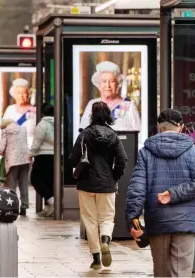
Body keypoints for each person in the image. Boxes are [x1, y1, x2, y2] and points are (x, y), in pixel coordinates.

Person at [126, 108, 195, 277]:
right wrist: (174, 194)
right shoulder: (194, 152)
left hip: (158, 222)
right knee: (181, 273)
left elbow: (137, 188)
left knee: (161, 272)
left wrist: (132, 220)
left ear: (159, 127)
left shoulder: (145, 153)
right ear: (181, 126)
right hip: (185, 223)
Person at [69, 101, 128, 270]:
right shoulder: (113, 135)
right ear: (108, 114)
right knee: (107, 217)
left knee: (90, 219)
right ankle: (105, 240)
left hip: (86, 183)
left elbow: (73, 159)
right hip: (107, 184)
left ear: (92, 115)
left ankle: (96, 257)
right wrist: (114, 176)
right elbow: (122, 160)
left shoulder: (84, 134)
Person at [79, 61, 141, 132]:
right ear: (99, 84)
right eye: (104, 81)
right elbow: (82, 133)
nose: (107, 85)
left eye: (112, 81)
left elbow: (139, 135)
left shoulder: (129, 105)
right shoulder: (92, 105)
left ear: (118, 83)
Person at [0, 119, 30, 215]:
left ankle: (13, 206)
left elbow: (0, 148)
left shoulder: (5, 131)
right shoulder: (23, 129)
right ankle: (24, 205)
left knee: (11, 184)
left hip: (12, 160)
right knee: (23, 184)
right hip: (25, 159)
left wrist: (2, 153)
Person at [30, 103, 55, 217]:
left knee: (36, 179)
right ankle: (49, 208)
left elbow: (36, 143)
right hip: (56, 156)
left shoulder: (42, 125)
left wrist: (30, 154)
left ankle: (52, 201)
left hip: (42, 156)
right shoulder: (59, 123)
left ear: (42, 113)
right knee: (50, 182)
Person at [2, 78, 36, 147]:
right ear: (14, 94)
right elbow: (3, 129)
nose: (21, 96)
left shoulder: (34, 110)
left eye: (24, 92)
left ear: (28, 94)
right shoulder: (10, 109)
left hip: (30, 148)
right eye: (18, 93)